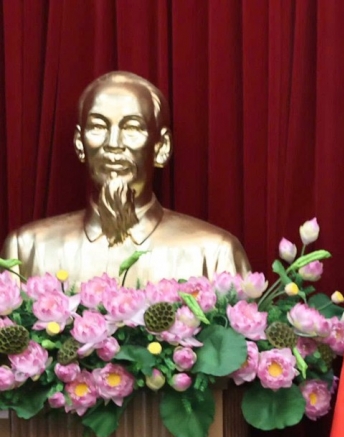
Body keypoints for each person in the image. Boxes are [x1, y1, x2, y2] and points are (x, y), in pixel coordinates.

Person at [2, 71, 250, 285]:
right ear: (79, 143)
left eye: (132, 128)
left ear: (161, 147)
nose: (113, 144)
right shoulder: (26, 250)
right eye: (98, 126)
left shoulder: (214, 254)